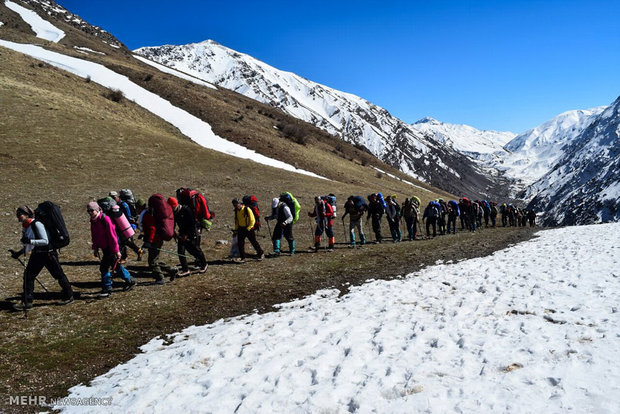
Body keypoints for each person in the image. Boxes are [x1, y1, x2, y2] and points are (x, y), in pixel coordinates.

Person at [10, 206, 74, 310]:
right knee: (28, 276)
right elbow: (30, 243)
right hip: (38, 254)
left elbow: (45, 241)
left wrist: (29, 242)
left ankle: (69, 295)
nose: (18, 217)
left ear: (26, 214)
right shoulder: (26, 226)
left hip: (47, 254)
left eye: (19, 214)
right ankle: (28, 301)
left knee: (57, 274)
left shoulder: (37, 224)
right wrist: (19, 253)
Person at [88, 201, 135, 297]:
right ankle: (130, 280)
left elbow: (112, 236)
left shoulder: (106, 220)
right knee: (116, 266)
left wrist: (116, 250)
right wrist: (95, 248)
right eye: (88, 211)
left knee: (104, 267)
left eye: (92, 210)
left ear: (97, 209)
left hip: (111, 248)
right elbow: (95, 235)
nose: (90, 212)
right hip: (105, 248)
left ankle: (107, 288)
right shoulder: (93, 220)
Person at [168, 197, 208, 277]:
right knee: (180, 251)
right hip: (181, 233)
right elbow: (173, 222)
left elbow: (192, 224)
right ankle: (185, 270)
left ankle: (204, 264)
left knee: (195, 249)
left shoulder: (186, 210)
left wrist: (186, 235)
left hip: (191, 233)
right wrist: (173, 232)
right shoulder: (174, 212)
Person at [109, 191, 142, 262]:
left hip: (125, 226)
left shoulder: (124, 205)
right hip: (119, 226)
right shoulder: (115, 205)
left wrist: (132, 227)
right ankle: (137, 251)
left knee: (124, 242)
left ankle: (125, 256)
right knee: (125, 242)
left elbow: (129, 217)